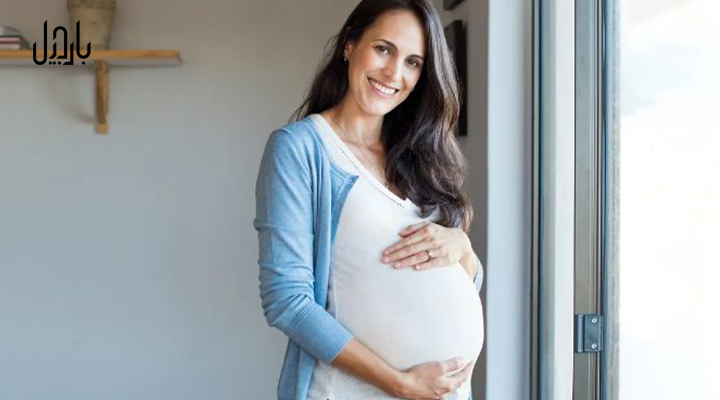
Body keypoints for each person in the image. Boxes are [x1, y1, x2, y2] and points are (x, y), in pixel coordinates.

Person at [253, 1, 485, 399]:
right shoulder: (302, 149)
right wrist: (401, 384)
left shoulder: (419, 154)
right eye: (383, 49)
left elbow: (463, 283)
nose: (394, 73)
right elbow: (287, 301)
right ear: (349, 45)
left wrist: (462, 248)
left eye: (413, 62)